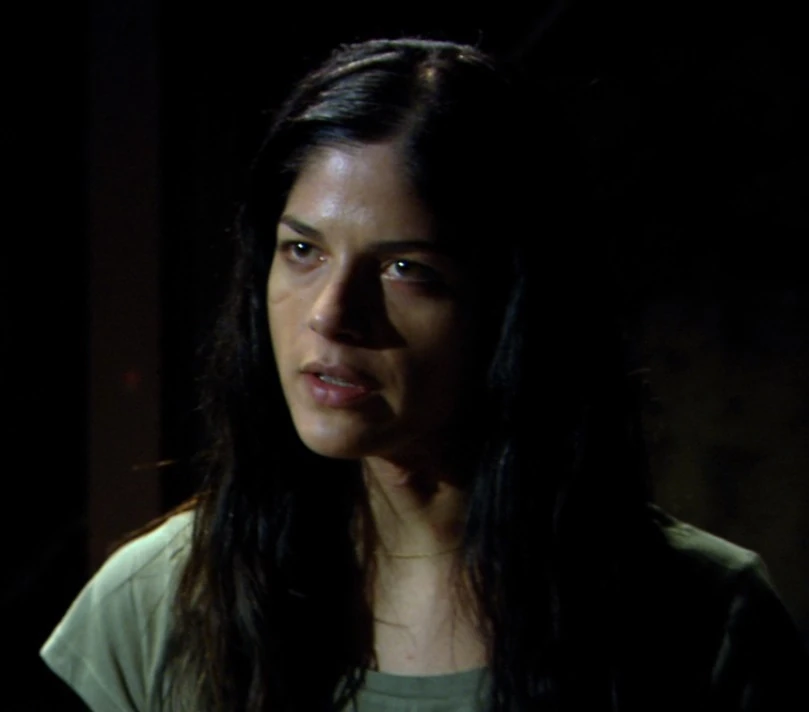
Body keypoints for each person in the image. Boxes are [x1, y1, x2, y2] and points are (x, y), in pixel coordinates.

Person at [40, 37, 808, 712]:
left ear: (513, 303)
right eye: (302, 250)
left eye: (406, 269)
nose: (331, 314)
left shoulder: (703, 618)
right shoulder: (159, 601)